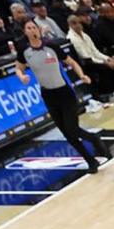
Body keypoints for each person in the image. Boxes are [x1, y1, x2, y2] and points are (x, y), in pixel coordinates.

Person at [14, 19, 102, 171]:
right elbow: (18, 68)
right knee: (67, 134)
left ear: (38, 30)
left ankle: (93, 138)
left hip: (64, 92)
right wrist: (22, 77)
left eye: (34, 27)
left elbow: (72, 62)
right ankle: (91, 161)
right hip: (48, 95)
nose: (32, 30)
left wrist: (81, 75)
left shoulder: (52, 46)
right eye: (29, 28)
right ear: (25, 32)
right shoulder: (24, 51)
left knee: (72, 128)